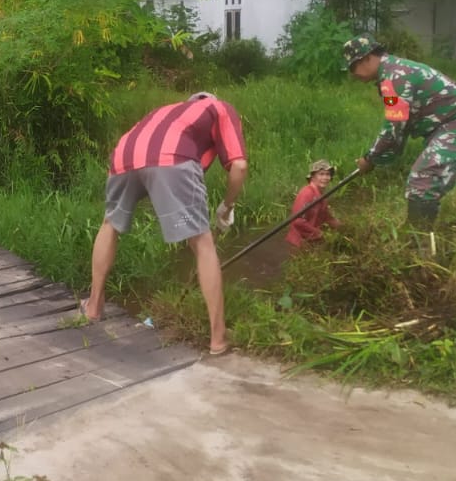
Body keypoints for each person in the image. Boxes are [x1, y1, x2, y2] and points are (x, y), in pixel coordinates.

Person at [82, 92, 248, 356]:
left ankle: (93, 307)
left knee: (110, 223)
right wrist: (227, 207)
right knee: (202, 242)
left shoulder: (167, 110)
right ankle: (219, 338)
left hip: (122, 157)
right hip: (171, 157)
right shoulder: (219, 107)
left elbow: (144, 154)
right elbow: (239, 166)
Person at [344, 36, 456, 243]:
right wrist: (377, 157)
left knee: (423, 179)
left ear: (366, 58)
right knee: (424, 178)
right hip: (446, 125)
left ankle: (418, 242)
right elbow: (399, 127)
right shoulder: (392, 72)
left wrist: (370, 158)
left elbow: (394, 127)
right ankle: (416, 233)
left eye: (353, 67)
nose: (353, 74)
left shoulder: (394, 78)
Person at [284, 159, 341, 248]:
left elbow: (327, 217)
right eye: (321, 174)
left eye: (328, 174)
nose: (325, 178)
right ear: (313, 177)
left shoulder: (322, 196)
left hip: (311, 241)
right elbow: (298, 221)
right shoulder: (307, 193)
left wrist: (343, 227)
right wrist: (319, 233)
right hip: (299, 243)